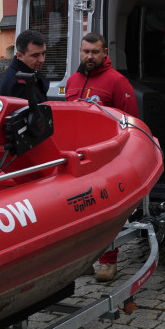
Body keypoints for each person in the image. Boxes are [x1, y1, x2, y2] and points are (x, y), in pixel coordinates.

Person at [66, 32, 138, 282]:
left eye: (95, 52)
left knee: (106, 212)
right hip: (78, 158)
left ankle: (109, 262)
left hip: (106, 158)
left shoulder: (117, 82)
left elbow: (132, 122)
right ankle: (83, 261)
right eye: (85, 51)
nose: (89, 56)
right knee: (78, 211)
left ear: (105, 52)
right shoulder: (73, 80)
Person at [0, 30, 49, 103]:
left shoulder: (27, 72)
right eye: (35, 55)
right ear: (19, 56)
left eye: (43, 53)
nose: (42, 60)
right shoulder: (19, 83)